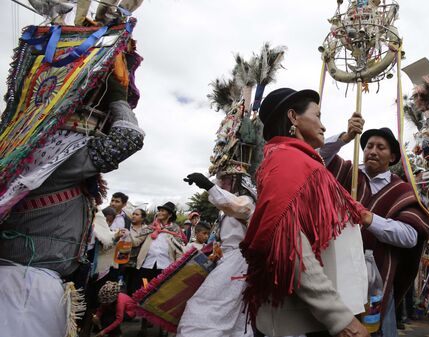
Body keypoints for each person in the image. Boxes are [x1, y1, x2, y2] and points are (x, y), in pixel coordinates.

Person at [0, 73, 144, 337]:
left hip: (25, 281)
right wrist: (117, 99)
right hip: (28, 288)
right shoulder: (55, 154)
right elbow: (129, 138)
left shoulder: (22, 150)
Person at [240, 88, 371, 337]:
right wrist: (339, 318)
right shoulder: (288, 161)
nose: (323, 125)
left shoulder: (297, 159)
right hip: (306, 322)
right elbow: (289, 246)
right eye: (318, 116)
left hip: (313, 318)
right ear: (293, 117)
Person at [320, 124, 429, 337]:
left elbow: (410, 237)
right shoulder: (346, 173)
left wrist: (370, 219)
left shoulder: (403, 191)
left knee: (375, 329)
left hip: (377, 278)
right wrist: (345, 137)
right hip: (337, 272)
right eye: (369, 145)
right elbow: (318, 156)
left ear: (392, 157)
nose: (372, 150)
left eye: (381, 147)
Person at [177, 173, 256, 337]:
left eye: (227, 179)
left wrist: (208, 186)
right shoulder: (224, 212)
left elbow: (234, 205)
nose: (222, 183)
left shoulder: (247, 203)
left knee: (208, 303)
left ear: (238, 183)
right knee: (233, 312)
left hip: (238, 260)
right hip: (227, 259)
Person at [135, 201, 185, 337]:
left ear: (169, 214)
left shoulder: (175, 229)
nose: (160, 213)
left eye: (164, 211)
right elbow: (136, 239)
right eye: (160, 210)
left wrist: (179, 264)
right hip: (147, 267)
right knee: (145, 294)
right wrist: (123, 236)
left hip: (165, 268)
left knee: (163, 297)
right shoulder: (150, 227)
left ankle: (161, 328)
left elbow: (180, 248)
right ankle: (143, 325)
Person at [124, 208, 147, 295]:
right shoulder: (126, 224)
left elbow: (136, 243)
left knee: (131, 286)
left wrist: (127, 233)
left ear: (142, 218)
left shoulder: (145, 229)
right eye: (133, 214)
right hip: (120, 259)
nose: (133, 216)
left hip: (134, 263)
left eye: (137, 214)